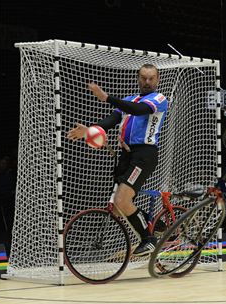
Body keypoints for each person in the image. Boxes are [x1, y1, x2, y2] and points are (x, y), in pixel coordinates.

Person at [67, 64, 168, 256]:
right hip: (126, 155)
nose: (147, 82)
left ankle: (149, 239)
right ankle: (159, 225)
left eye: (151, 78)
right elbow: (109, 122)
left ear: (157, 79)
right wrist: (89, 130)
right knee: (119, 205)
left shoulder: (159, 99)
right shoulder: (127, 100)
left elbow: (138, 110)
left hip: (144, 155)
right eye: (144, 78)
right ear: (138, 78)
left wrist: (107, 98)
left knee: (122, 199)